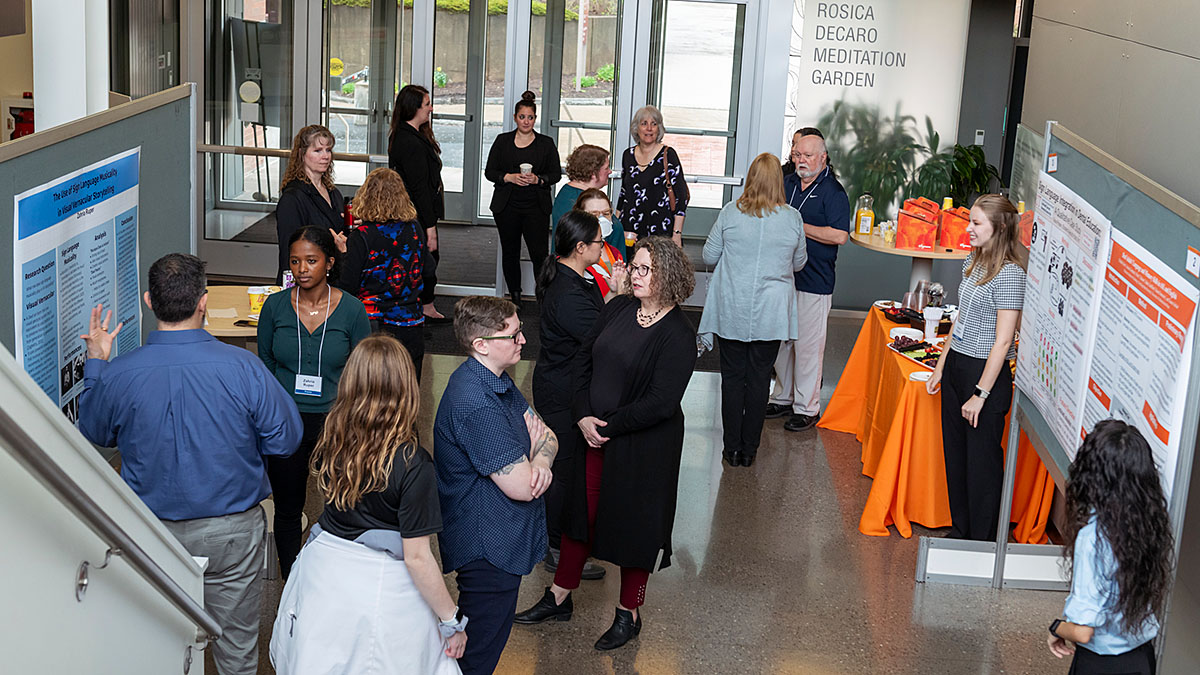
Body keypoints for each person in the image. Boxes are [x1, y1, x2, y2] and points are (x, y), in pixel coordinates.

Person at [77, 253, 303, 675]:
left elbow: (93, 431)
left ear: (148, 301)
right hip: (232, 533)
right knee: (237, 650)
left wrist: (97, 365)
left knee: (155, 641)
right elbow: (286, 439)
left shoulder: (120, 375)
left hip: (150, 534)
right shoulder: (244, 369)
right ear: (204, 301)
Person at [514, 237, 697, 652]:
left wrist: (608, 426)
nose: (634, 274)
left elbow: (661, 402)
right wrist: (581, 413)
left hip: (642, 448)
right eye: (634, 266)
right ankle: (559, 597)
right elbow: (584, 360)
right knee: (582, 514)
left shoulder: (678, 334)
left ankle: (627, 614)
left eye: (645, 269)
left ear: (667, 276)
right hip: (593, 434)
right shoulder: (617, 308)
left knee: (636, 529)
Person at [270, 334, 466, 674]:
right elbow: (418, 558)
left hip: (324, 575)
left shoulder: (334, 439)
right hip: (383, 590)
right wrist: (451, 620)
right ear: (405, 387)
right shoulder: (413, 463)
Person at [434, 295, 559, 675]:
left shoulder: (496, 381)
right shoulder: (476, 402)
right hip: (486, 547)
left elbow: (548, 436)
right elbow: (522, 486)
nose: (523, 340)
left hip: (499, 538)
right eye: (514, 334)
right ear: (481, 345)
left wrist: (540, 458)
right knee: (476, 658)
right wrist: (537, 462)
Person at [258, 226, 371, 577]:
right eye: (295, 262)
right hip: (285, 421)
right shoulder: (275, 306)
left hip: (336, 421)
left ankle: (333, 579)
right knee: (289, 508)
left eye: (311, 260)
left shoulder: (352, 310)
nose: (302, 269)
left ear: (329, 263)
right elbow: (266, 364)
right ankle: (292, 577)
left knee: (340, 504)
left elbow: (362, 369)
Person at [926, 194, 1027, 541]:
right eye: (970, 220)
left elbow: (1003, 342)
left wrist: (980, 394)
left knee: (981, 464)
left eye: (976, 223)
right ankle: (961, 529)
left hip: (984, 375)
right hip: (957, 366)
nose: (968, 228)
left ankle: (981, 541)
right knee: (956, 456)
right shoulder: (974, 261)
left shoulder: (1011, 275)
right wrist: (941, 364)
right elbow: (961, 318)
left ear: (998, 228)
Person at [698, 153, 808, 467]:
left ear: (750, 179)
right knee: (760, 380)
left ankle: (730, 448)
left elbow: (709, 254)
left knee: (732, 379)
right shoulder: (792, 218)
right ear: (779, 182)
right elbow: (799, 262)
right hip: (771, 313)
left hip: (733, 306)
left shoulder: (731, 213)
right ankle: (750, 451)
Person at [532, 210, 621, 581]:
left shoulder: (576, 278)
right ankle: (554, 547)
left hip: (564, 383)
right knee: (564, 471)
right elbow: (604, 335)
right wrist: (620, 298)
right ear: (581, 247)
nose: (604, 247)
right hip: (561, 390)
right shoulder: (568, 292)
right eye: (599, 242)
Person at [1046, 420, 1172, 675]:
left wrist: (1056, 628)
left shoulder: (1094, 537)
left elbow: (1082, 632)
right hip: (1142, 658)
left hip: (1101, 664)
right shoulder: (1148, 521)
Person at [765, 128, 850, 432]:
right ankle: (783, 397)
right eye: (797, 154)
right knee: (782, 344)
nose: (801, 160)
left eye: (808, 155)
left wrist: (799, 225)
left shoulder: (834, 192)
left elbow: (840, 235)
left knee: (808, 347)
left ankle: (806, 407)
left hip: (815, 281)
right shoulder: (786, 183)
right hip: (782, 278)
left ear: (823, 158)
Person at [336, 167, 428, 380]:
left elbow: (347, 285)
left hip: (372, 327)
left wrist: (343, 254)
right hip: (410, 323)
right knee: (406, 392)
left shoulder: (362, 236)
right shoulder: (415, 229)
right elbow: (428, 270)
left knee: (372, 392)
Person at [484, 90, 563, 306]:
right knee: (510, 252)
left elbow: (556, 174)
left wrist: (538, 180)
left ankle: (543, 298)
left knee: (539, 254)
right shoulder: (502, 141)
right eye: (522, 117)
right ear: (515, 118)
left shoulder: (545, 144)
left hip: (535, 207)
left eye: (530, 117)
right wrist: (508, 177)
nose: (526, 121)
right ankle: (515, 297)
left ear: (535, 119)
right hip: (507, 206)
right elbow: (490, 171)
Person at [389, 84, 449, 322]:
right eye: (427, 104)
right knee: (427, 260)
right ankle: (423, 306)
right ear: (413, 108)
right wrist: (430, 226)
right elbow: (419, 189)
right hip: (415, 215)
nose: (431, 108)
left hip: (415, 213)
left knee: (426, 260)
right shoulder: (409, 141)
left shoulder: (410, 134)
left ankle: (425, 305)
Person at [275, 125, 346, 285]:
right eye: (318, 150)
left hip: (330, 279)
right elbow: (290, 253)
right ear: (302, 154)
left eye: (328, 150)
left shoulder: (333, 193)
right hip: (305, 284)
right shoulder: (292, 198)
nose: (325, 156)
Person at [615, 105, 689, 246]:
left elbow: (681, 196)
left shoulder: (668, 155)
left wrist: (677, 234)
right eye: (644, 124)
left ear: (659, 129)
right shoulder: (627, 155)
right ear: (636, 128)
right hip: (630, 231)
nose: (649, 128)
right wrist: (616, 227)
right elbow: (624, 193)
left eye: (654, 124)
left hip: (660, 230)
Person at [550, 144, 617, 253]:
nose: (609, 171)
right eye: (606, 168)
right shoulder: (582, 200)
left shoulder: (567, 192)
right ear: (593, 173)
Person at [573, 188, 627, 297]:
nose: (601, 219)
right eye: (594, 214)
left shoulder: (615, 253)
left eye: (606, 213)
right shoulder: (573, 254)